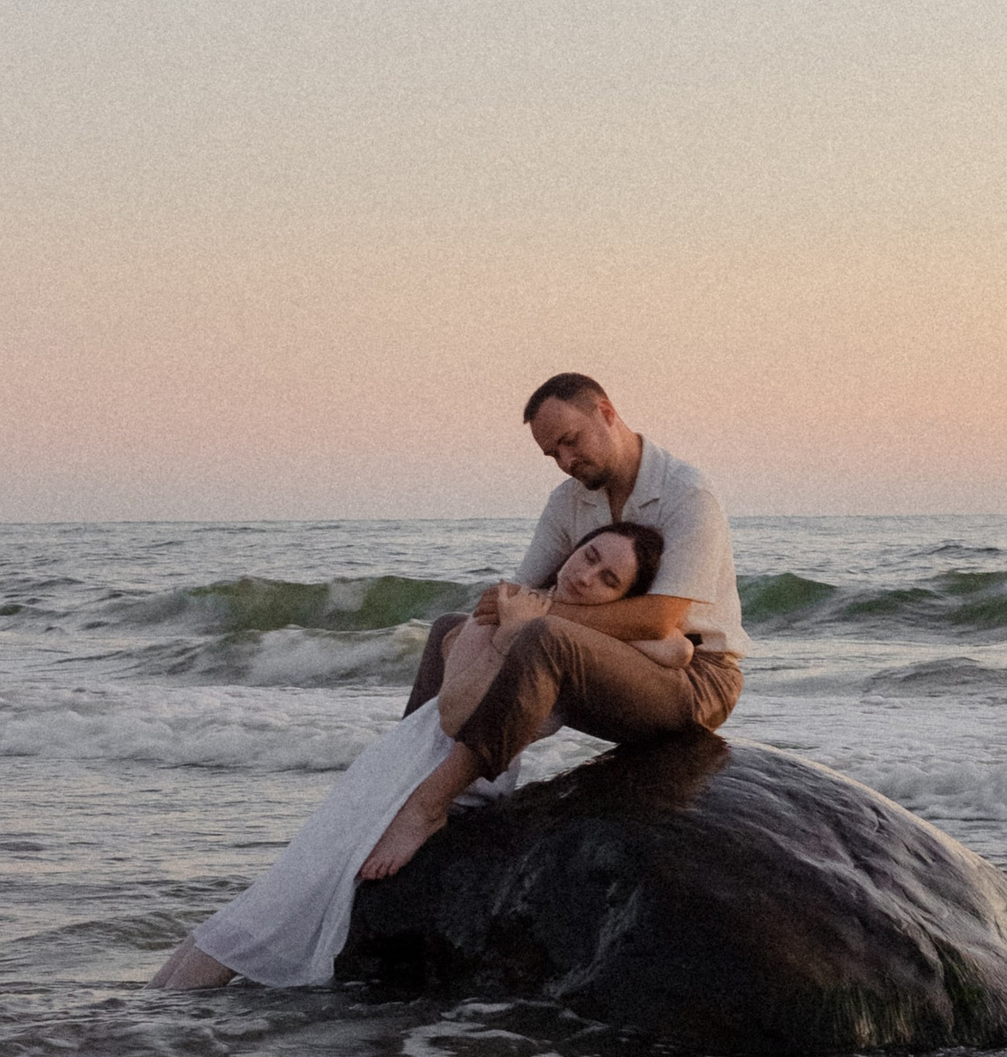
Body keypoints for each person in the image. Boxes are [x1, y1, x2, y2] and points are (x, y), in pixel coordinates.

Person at [148, 521, 670, 991]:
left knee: (284, 901)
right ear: (571, 551)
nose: (587, 576)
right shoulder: (504, 608)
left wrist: (588, 622)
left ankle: (148, 1013)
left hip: (464, 779)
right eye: (590, 556)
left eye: (610, 580)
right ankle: (153, 1014)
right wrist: (509, 638)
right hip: (411, 767)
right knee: (280, 901)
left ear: (624, 598)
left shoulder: (574, 638)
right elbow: (454, 712)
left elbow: (676, 648)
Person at [360, 373, 747, 879]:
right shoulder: (568, 503)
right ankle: (402, 779)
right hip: (623, 663)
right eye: (553, 454)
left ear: (606, 412)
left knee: (545, 636)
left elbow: (661, 617)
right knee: (448, 627)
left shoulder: (686, 494)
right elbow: (508, 595)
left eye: (571, 441)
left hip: (696, 683)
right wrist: (505, 613)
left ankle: (429, 805)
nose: (566, 461)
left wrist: (534, 610)